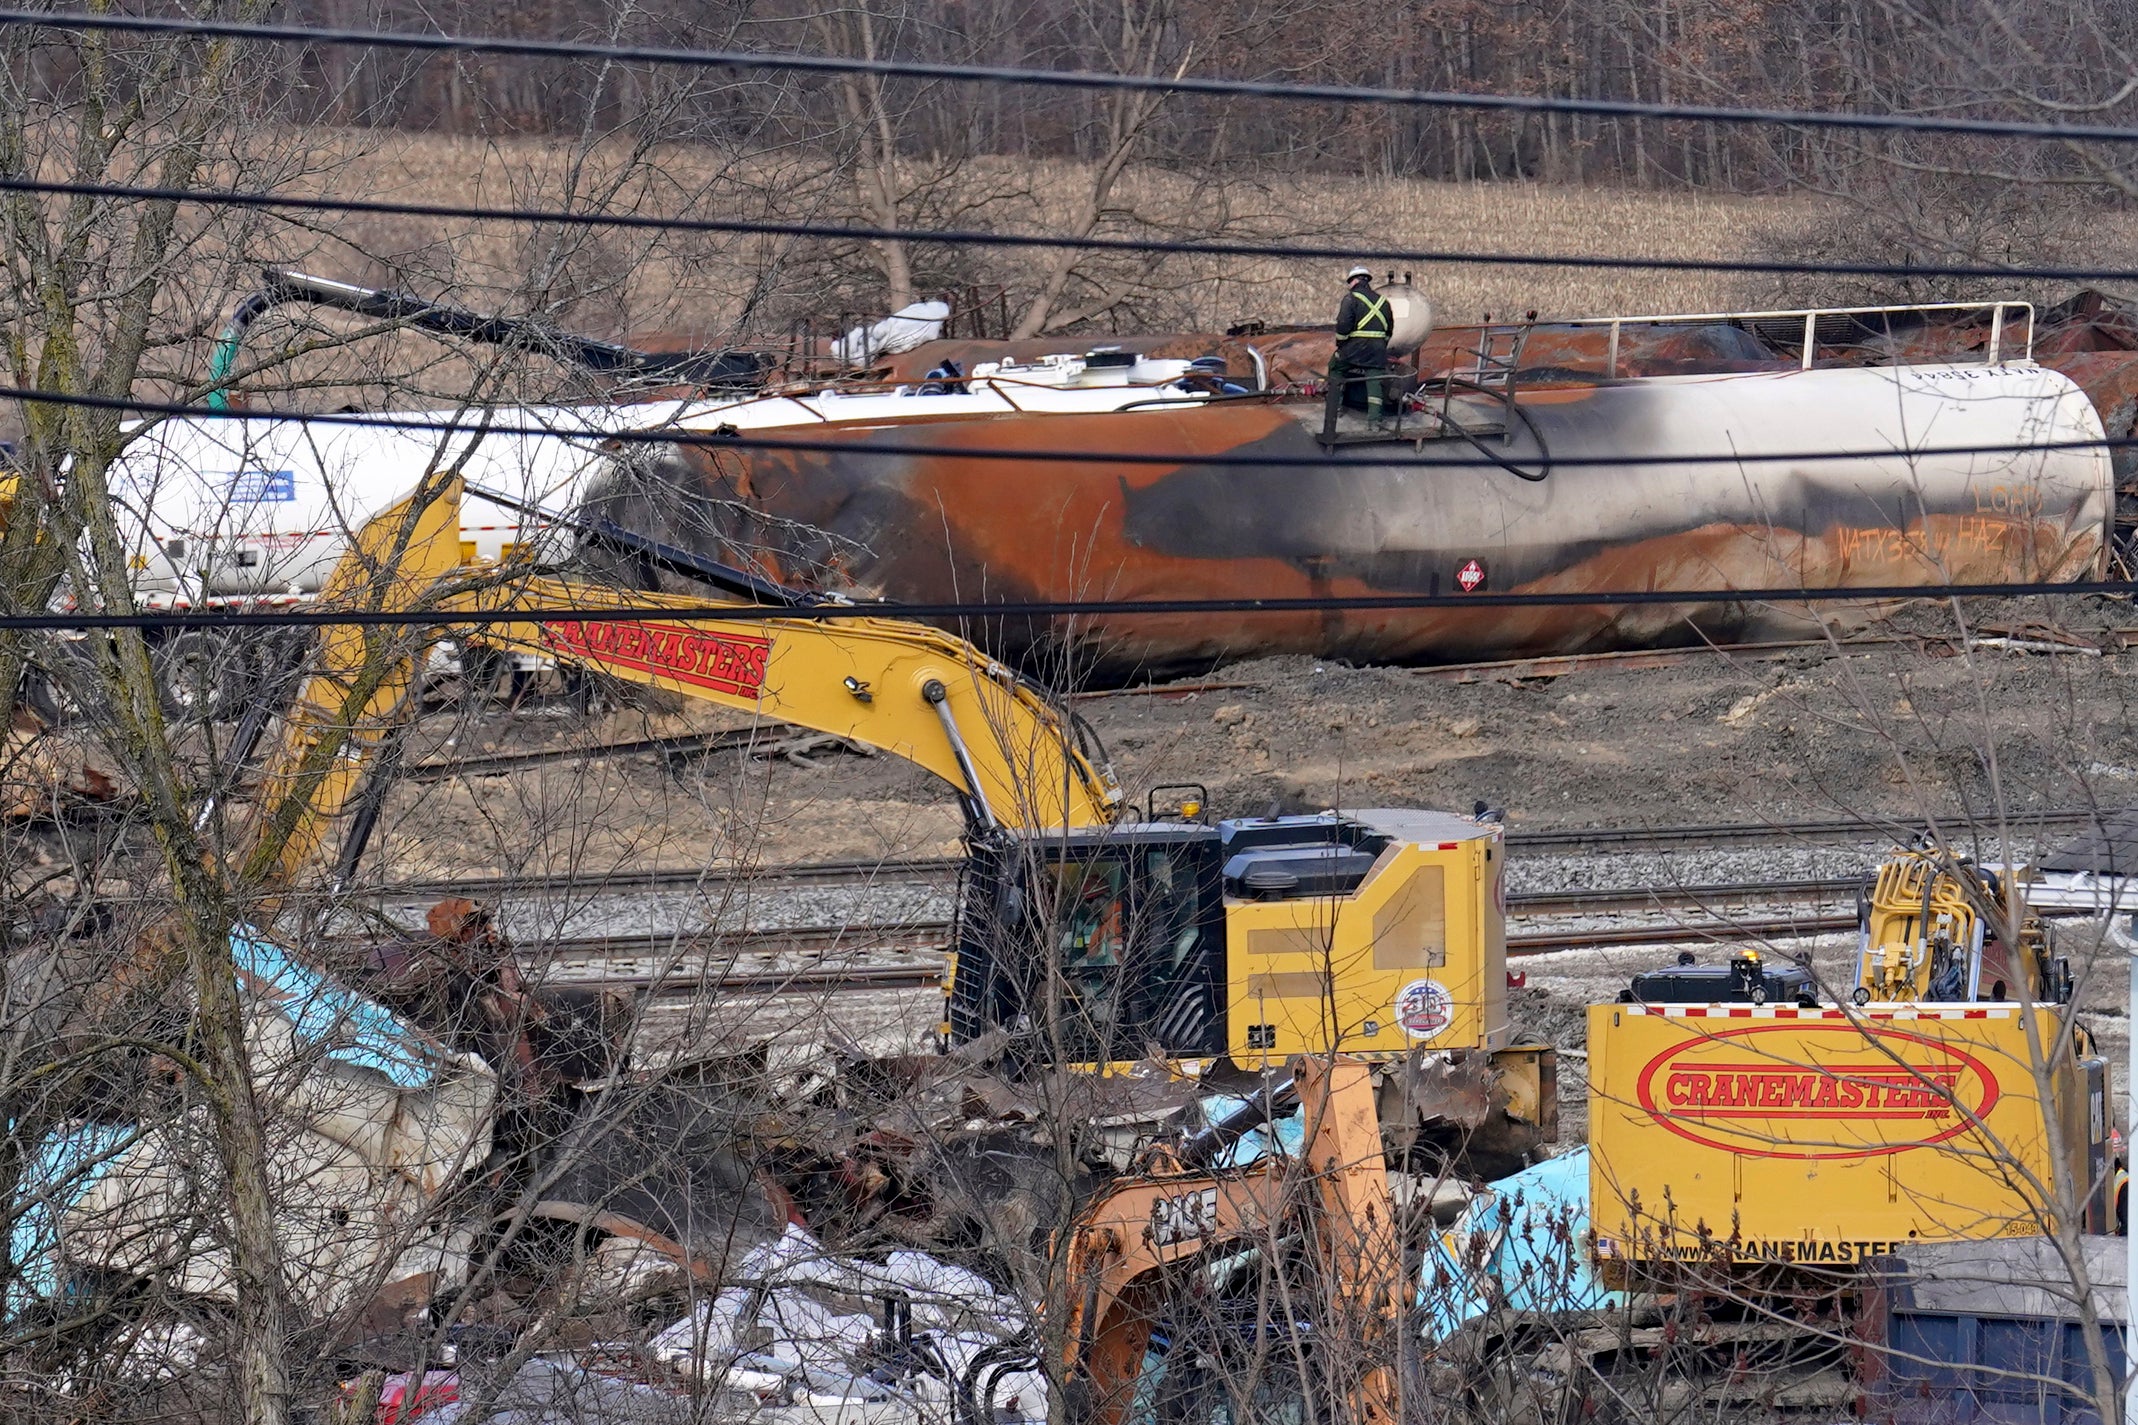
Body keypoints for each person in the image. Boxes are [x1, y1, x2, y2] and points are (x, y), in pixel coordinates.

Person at [1328, 265, 1393, 429]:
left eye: (1349, 282)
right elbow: (1389, 330)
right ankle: (1374, 421)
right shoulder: (1383, 301)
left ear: (1355, 281)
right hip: (1377, 349)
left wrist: (1341, 344)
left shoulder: (1350, 298)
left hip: (1354, 348)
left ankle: (1334, 408)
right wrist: (1381, 345)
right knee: (1374, 380)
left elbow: (1343, 325)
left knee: (1335, 367)